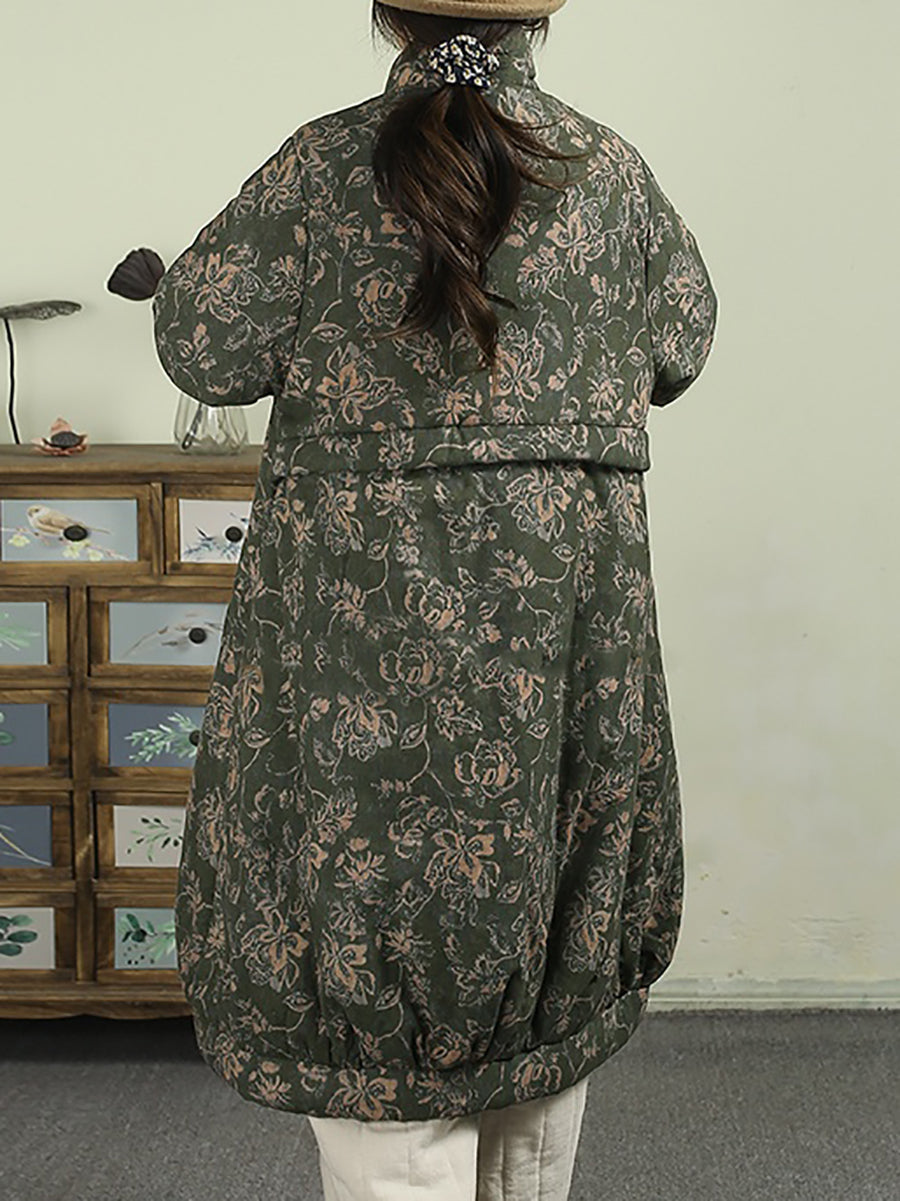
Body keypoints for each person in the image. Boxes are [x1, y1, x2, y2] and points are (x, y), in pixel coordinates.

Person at [152, 1, 718, 1198]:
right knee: (541, 1026)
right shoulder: (611, 174)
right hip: (560, 659)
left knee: (382, 1068)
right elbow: (683, 341)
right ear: (539, 17)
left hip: (360, 666)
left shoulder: (318, 169)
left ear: (386, 14)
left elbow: (202, 347)